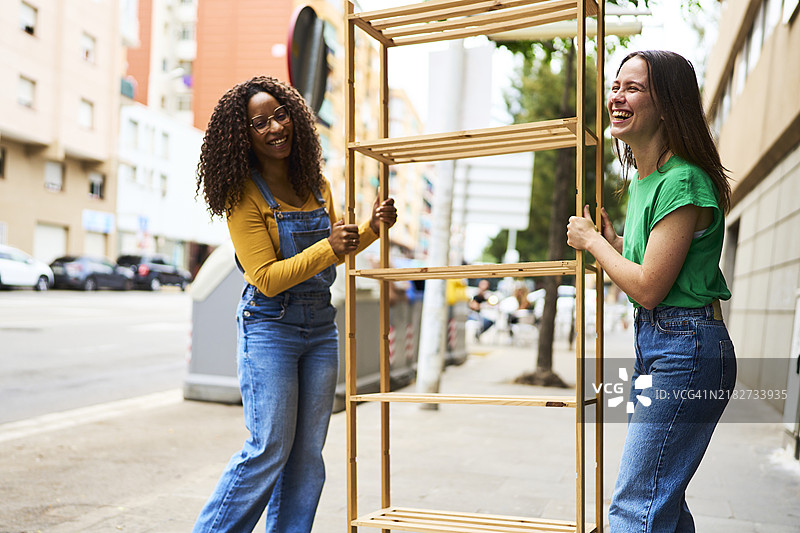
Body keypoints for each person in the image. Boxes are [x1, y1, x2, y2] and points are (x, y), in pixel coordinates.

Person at [192, 76, 397, 533]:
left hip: (320, 327)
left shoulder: (317, 184)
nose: (274, 128)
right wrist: (330, 246)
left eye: (280, 115)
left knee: (306, 455)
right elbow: (264, 279)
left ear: (296, 119)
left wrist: (371, 229)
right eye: (259, 123)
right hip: (270, 326)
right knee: (268, 448)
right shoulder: (241, 194)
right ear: (242, 135)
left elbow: (336, 246)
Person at [567, 50, 736, 532]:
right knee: (663, 501)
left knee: (635, 507)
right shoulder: (647, 180)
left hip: (688, 350)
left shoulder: (683, 179)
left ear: (668, 104)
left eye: (633, 88)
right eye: (616, 86)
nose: (617, 96)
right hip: (663, 345)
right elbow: (649, 268)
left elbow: (648, 288)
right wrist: (615, 243)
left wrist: (596, 243)